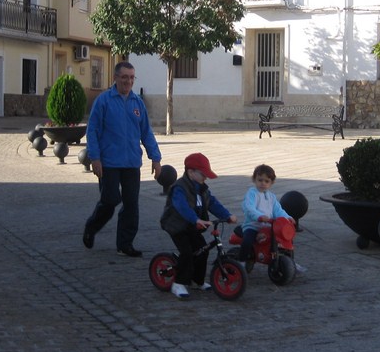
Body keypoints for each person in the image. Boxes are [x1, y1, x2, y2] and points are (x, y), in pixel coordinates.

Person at [82, 61, 162, 257]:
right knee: (109, 201)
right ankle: (92, 227)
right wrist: (95, 158)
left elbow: (146, 132)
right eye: (125, 77)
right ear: (116, 77)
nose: (128, 81)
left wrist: (156, 158)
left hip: (131, 163)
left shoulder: (137, 103)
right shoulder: (104, 101)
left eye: (132, 77)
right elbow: (92, 131)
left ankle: (125, 245)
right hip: (108, 163)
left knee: (131, 205)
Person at [159, 153, 237, 300]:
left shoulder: (202, 189)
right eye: (203, 174)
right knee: (187, 252)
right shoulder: (179, 188)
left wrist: (227, 215)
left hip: (192, 226)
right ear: (190, 172)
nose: (205, 178)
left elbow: (212, 203)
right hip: (176, 226)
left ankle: (197, 280)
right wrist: (195, 219)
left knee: (202, 250)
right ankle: (178, 283)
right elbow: (182, 207)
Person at [239, 164, 295, 273]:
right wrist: (259, 216)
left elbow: (278, 210)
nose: (263, 183)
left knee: (284, 239)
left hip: (269, 226)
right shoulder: (252, 193)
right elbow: (249, 207)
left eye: (266, 181)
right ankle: (241, 262)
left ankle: (288, 261)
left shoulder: (271, 196)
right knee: (247, 240)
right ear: (254, 179)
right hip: (253, 225)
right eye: (260, 180)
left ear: (271, 183)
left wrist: (287, 218)